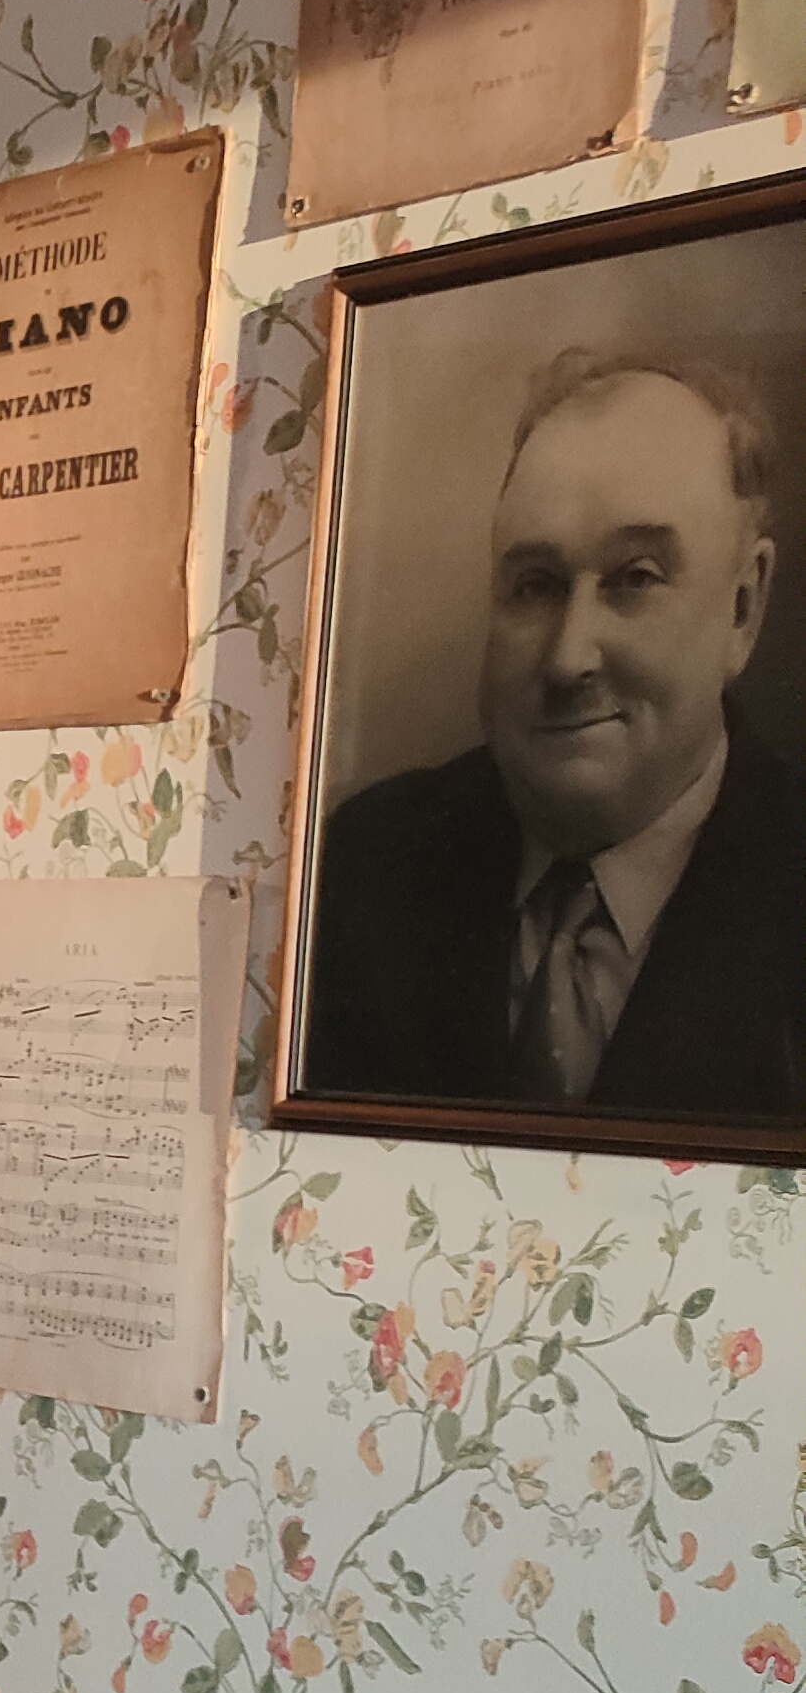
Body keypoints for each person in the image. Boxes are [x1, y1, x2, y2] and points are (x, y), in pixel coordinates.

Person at [299, 347, 806, 1125]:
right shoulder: (363, 868)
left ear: (743, 608)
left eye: (635, 578)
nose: (569, 658)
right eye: (535, 586)